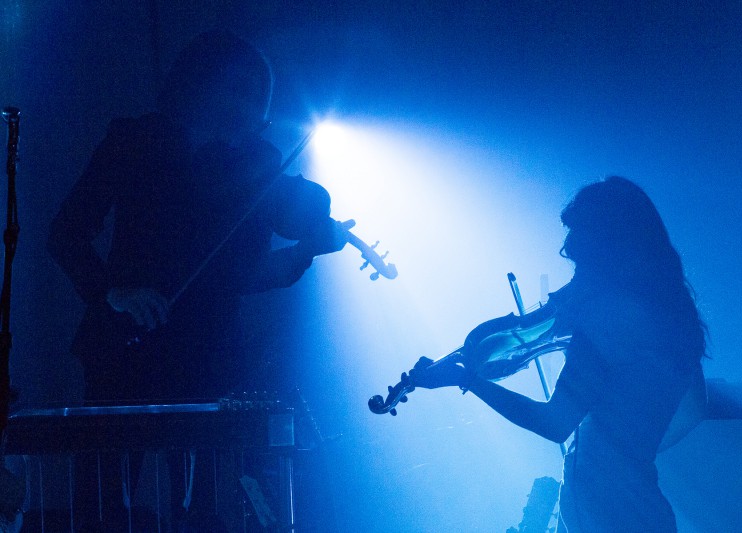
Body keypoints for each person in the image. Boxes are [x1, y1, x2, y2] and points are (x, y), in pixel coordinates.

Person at [48, 30, 350, 531]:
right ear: (204, 87)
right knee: (103, 505)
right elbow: (66, 233)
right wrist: (112, 293)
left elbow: (248, 275)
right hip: (125, 347)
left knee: (205, 507)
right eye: (243, 95)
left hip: (206, 356)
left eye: (260, 104)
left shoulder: (254, 165)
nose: (254, 117)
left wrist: (307, 248)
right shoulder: (134, 141)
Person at [411, 176, 707, 532]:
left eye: (579, 241)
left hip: (603, 515)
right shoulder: (674, 319)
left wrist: (467, 379)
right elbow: (694, 411)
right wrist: (630, 448)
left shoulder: (604, 324)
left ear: (607, 247)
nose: (567, 249)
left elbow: (554, 423)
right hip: (642, 509)